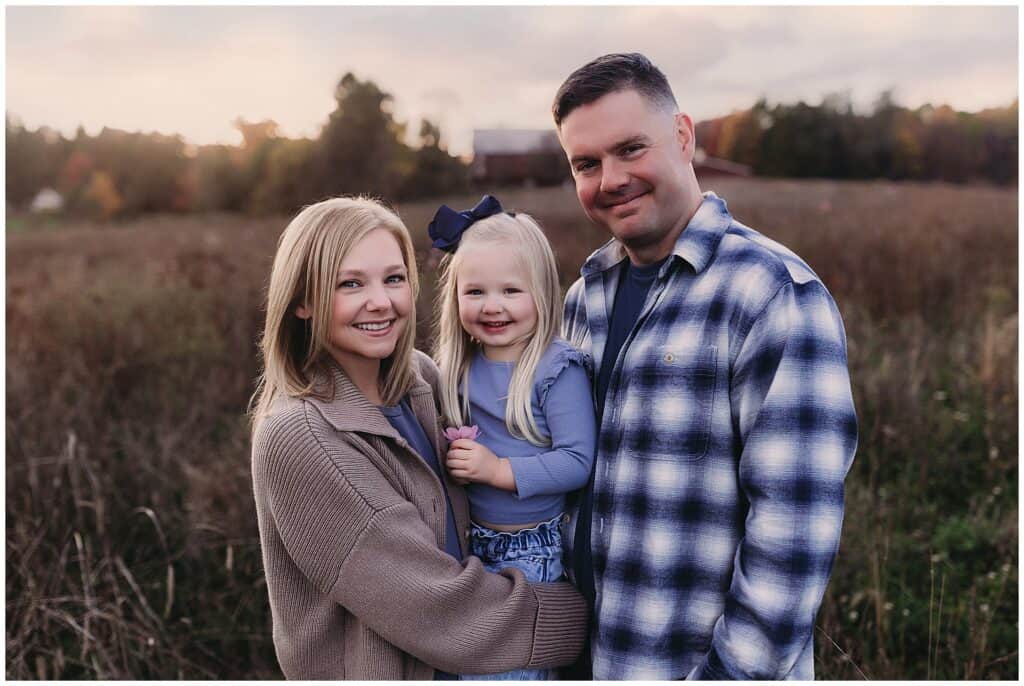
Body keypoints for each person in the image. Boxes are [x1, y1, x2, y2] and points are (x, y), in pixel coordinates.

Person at [552, 53, 859, 680]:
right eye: (586, 164)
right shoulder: (584, 299)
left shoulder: (772, 293)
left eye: (630, 149)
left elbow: (791, 542)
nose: (611, 179)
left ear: (684, 136)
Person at [249, 196, 587, 680]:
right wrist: (585, 617)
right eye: (350, 283)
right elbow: (435, 607)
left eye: (394, 278)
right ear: (302, 301)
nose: (381, 301)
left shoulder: (421, 381)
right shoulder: (301, 435)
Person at [428, 195, 598, 681]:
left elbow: (577, 460)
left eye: (510, 290)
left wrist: (496, 470)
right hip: (468, 547)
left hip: (532, 551)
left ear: (541, 293)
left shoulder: (555, 368)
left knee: (509, 672)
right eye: (475, 291)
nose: (492, 306)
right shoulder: (455, 369)